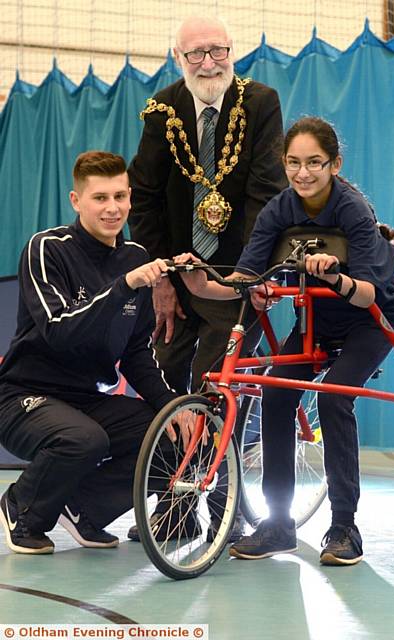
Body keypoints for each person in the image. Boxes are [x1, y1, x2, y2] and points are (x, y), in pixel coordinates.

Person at [174, 116, 394, 566]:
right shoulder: (279, 209)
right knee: (275, 391)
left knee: (334, 398)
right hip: (315, 321)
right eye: (294, 163)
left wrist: (336, 277)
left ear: (335, 165)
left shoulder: (353, 210)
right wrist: (199, 281)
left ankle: (344, 527)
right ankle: (278, 524)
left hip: (370, 319)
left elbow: (367, 295)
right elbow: (244, 280)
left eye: (315, 163)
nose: (303, 173)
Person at [126, 15, 287, 542]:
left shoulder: (259, 102)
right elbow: (143, 196)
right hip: (179, 270)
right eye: (194, 54)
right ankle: (174, 511)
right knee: (170, 385)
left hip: (236, 275)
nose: (207, 62)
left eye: (216, 50)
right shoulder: (162, 110)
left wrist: (247, 276)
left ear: (232, 51)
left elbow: (266, 192)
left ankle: (226, 510)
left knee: (221, 388)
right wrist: (163, 279)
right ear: (178, 59)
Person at [0, 151, 190, 555]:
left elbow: (138, 352)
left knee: (168, 436)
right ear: (76, 200)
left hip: (87, 399)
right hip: (21, 398)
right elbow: (59, 332)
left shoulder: (134, 257)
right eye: (100, 198)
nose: (112, 208)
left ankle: (83, 509)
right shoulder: (47, 249)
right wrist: (122, 287)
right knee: (85, 440)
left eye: (120, 197)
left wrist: (171, 406)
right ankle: (23, 507)